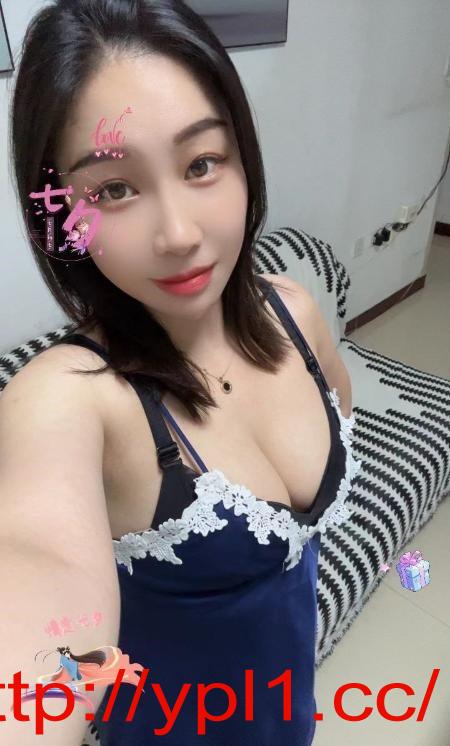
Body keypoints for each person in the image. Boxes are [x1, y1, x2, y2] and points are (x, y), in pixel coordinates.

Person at [2, 1, 362, 743]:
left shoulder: (294, 311)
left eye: (202, 163)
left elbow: (338, 406)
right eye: (113, 189)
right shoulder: (65, 400)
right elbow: (34, 579)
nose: (179, 234)